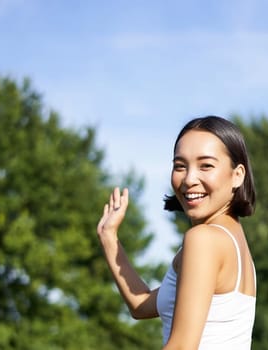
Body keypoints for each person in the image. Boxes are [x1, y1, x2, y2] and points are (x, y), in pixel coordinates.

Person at [96, 116, 257, 349]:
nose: (189, 179)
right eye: (180, 166)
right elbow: (141, 305)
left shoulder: (204, 239)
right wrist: (109, 238)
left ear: (237, 175)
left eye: (206, 165)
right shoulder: (231, 243)